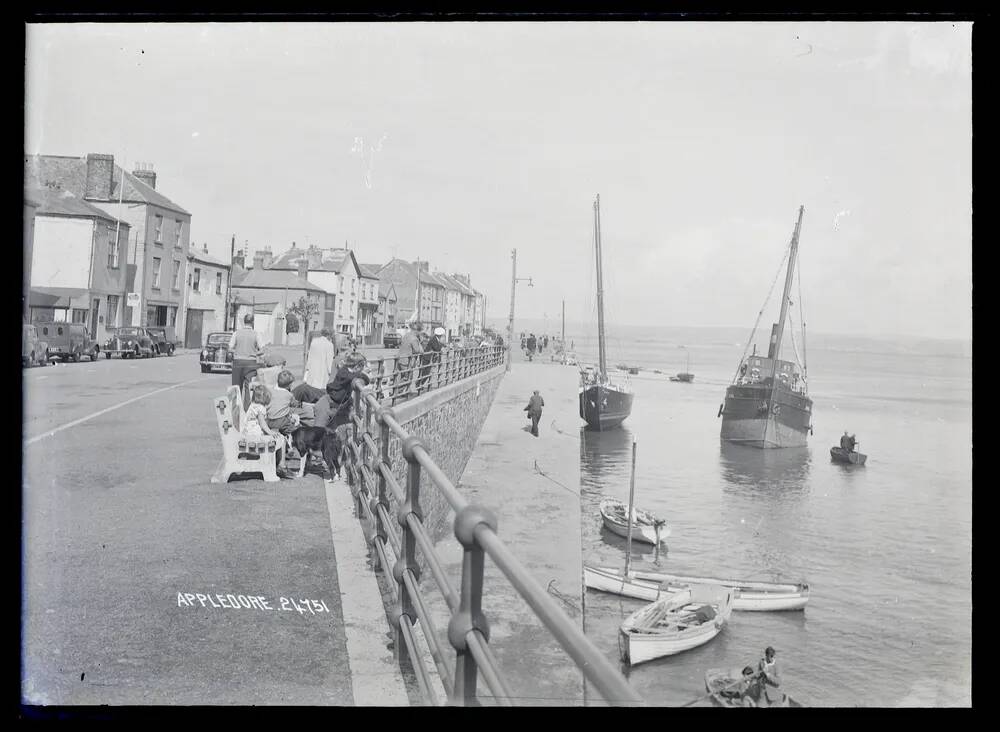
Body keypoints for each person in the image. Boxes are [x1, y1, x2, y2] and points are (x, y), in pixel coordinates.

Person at [229, 314, 264, 393]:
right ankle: (247, 404)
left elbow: (230, 348)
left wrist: (237, 352)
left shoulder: (236, 333)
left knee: (236, 386)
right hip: (251, 363)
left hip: (238, 362)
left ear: (244, 322)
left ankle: (236, 404)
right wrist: (255, 353)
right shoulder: (256, 334)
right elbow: (262, 350)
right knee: (249, 387)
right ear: (252, 322)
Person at [397, 321, 424, 396]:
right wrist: (420, 342)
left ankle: (403, 391)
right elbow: (418, 351)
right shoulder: (414, 339)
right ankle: (398, 392)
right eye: (420, 331)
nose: (420, 333)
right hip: (407, 361)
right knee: (408, 377)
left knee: (403, 377)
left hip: (400, 359)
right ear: (417, 330)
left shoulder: (406, 335)